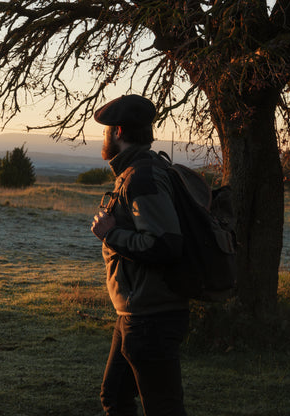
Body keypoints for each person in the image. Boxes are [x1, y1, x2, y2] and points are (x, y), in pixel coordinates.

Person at [91, 94, 190, 416]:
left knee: (163, 408)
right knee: (115, 397)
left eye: (105, 131)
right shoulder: (141, 170)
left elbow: (164, 245)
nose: (103, 138)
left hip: (152, 316)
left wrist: (110, 234)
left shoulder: (141, 177)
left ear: (118, 131)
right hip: (135, 313)